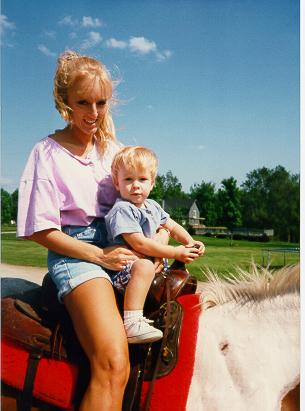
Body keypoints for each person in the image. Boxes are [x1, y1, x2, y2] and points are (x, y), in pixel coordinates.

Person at [17, 50, 163, 411]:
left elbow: (137, 205)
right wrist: (99, 255)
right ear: (64, 100)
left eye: (101, 102)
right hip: (76, 254)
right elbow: (40, 230)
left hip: (117, 246)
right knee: (113, 364)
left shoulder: (113, 151)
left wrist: (159, 242)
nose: (94, 113)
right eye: (83, 102)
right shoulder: (46, 153)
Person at [104, 146, 205, 344]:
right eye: (128, 180)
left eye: (142, 179)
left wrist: (190, 242)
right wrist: (175, 252)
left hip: (153, 266)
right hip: (126, 271)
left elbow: (172, 226)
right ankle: (132, 322)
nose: (136, 186)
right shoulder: (122, 210)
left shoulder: (153, 206)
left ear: (152, 183)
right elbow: (139, 244)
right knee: (144, 266)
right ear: (117, 183)